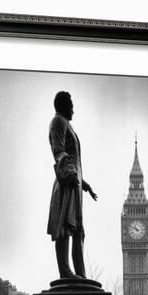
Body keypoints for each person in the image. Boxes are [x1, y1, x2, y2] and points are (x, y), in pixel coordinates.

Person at [47, 91, 98, 279]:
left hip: (75, 183)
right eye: (71, 106)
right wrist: (70, 173)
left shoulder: (68, 125)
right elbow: (58, 151)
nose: (73, 110)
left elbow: (75, 161)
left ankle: (80, 274)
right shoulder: (58, 122)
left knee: (78, 229)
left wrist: (85, 184)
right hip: (66, 182)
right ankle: (65, 271)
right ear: (62, 106)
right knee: (64, 227)